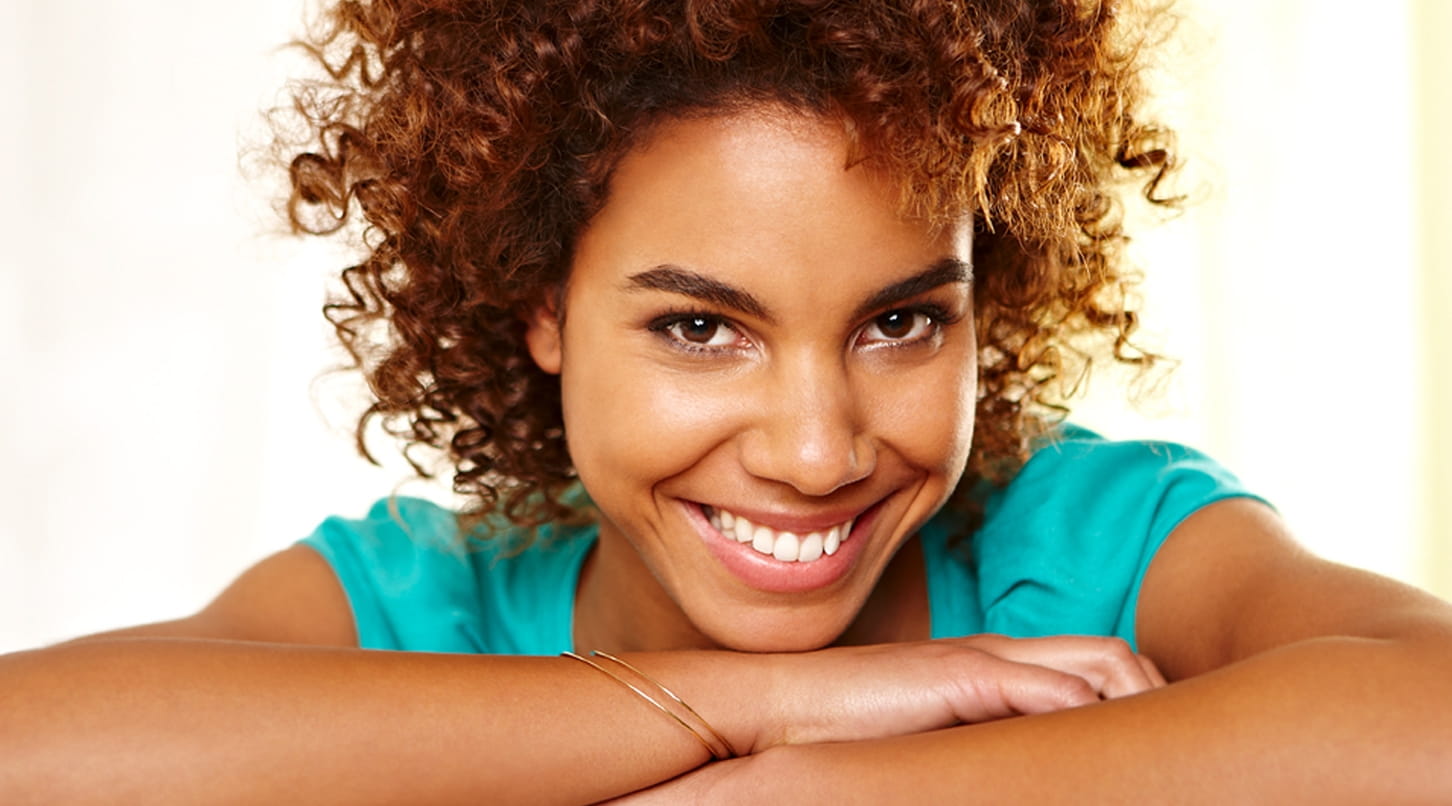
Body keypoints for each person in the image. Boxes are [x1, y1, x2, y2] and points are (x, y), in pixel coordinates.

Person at [3, 0, 1450, 803]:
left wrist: (832, 791)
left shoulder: (1096, 548)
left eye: (901, 321)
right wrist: (760, 703)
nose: (816, 452)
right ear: (543, 306)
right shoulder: (424, 605)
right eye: (701, 327)